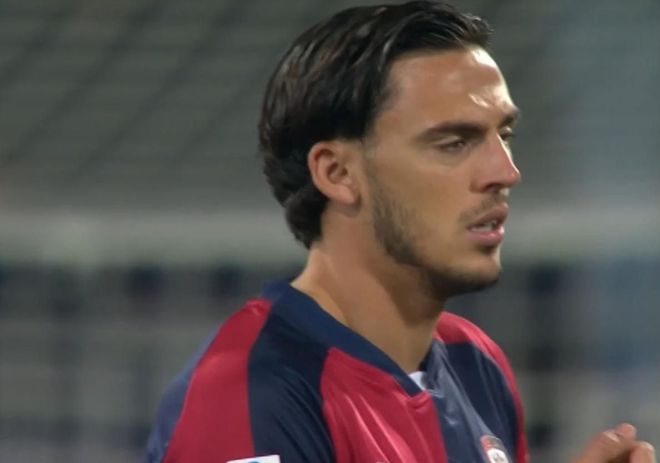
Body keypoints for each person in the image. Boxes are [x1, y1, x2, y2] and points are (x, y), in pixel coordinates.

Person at [145, 2, 655, 462]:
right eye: (454, 143)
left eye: (504, 135)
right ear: (338, 173)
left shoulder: (475, 363)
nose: (505, 172)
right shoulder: (253, 389)